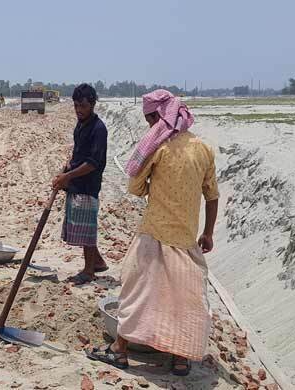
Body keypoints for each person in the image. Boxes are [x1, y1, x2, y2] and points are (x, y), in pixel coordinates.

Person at [89, 89, 219, 377]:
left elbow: (135, 187)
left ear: (158, 116)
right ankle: (180, 358)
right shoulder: (203, 149)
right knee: (183, 298)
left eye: (149, 119)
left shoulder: (158, 147)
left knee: (137, 291)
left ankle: (120, 349)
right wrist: (208, 233)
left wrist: (151, 186)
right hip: (186, 239)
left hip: (155, 233)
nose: (150, 126)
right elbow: (212, 195)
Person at [51, 83, 108, 285]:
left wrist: (68, 176)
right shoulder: (80, 124)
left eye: (82, 106)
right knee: (83, 227)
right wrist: (67, 168)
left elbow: (93, 162)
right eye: (76, 106)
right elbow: (79, 152)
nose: (79, 110)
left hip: (88, 184)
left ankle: (89, 270)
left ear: (92, 104)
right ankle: (98, 261)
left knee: (87, 228)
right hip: (76, 181)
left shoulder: (99, 129)